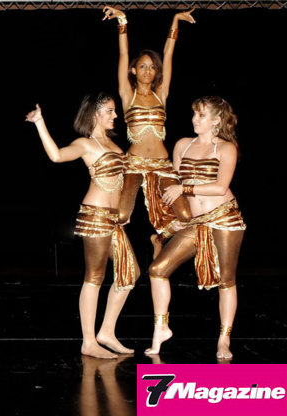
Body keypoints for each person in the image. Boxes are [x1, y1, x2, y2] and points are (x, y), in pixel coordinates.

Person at [26, 93, 139, 359]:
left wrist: (126, 208)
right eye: (109, 111)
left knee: (130, 273)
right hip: (95, 216)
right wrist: (40, 122)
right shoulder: (86, 144)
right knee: (95, 277)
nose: (115, 115)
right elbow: (56, 156)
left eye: (114, 110)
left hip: (113, 219)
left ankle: (106, 332)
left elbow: (126, 182)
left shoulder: (113, 144)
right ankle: (88, 341)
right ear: (94, 114)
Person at [145, 96, 245, 360]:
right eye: (194, 114)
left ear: (217, 120)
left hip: (224, 218)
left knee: (226, 279)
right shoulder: (182, 144)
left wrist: (184, 188)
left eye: (201, 115)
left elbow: (220, 187)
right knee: (157, 270)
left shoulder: (226, 148)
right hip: (195, 222)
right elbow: (173, 185)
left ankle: (224, 339)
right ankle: (161, 328)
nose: (194, 119)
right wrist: (175, 217)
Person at [102, 6, 196, 257]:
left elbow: (168, 54)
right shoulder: (127, 94)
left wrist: (175, 21)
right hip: (134, 163)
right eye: (142, 66)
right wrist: (122, 22)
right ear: (134, 70)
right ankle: (120, 258)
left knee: (185, 216)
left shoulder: (161, 94)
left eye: (152, 67)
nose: (148, 70)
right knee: (122, 214)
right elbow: (123, 54)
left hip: (162, 164)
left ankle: (160, 238)